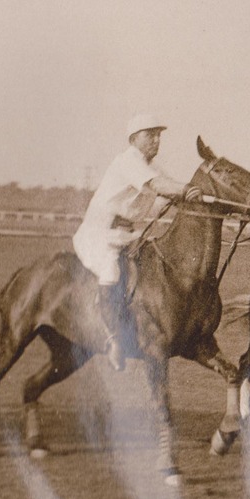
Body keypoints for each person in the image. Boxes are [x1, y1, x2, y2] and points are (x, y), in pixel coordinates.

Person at [72, 113, 193, 370]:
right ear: (133, 139)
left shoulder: (153, 167)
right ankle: (113, 340)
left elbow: (167, 192)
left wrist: (191, 195)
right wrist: (186, 190)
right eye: (150, 135)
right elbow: (160, 185)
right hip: (98, 235)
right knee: (111, 272)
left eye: (158, 135)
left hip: (127, 236)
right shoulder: (127, 162)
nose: (156, 140)